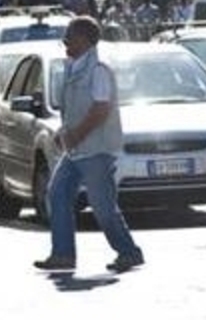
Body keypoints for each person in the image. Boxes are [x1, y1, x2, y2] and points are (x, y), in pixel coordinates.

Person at [34, 16, 144, 273]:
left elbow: (100, 109)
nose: (65, 43)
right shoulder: (75, 66)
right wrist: (63, 133)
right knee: (57, 193)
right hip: (76, 150)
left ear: (83, 39)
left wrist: (77, 135)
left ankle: (129, 252)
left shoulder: (98, 69)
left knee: (102, 206)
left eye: (69, 37)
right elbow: (72, 108)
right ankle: (63, 255)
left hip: (97, 150)